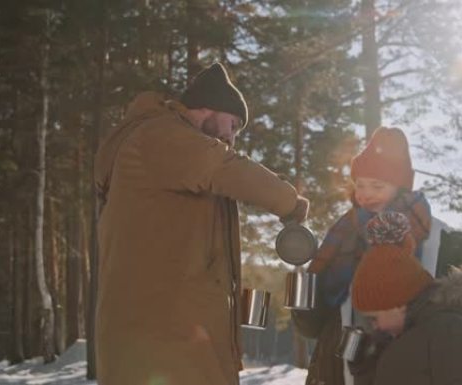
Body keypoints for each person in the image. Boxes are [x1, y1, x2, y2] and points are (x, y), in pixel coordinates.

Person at [94, 63, 309, 385]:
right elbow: (226, 168)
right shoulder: (162, 136)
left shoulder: (170, 149)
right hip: (163, 335)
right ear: (208, 107)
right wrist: (290, 203)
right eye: (233, 125)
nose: (231, 137)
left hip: (169, 329)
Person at [292, 127, 462, 385]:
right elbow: (316, 313)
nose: (365, 194)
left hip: (396, 361)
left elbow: (445, 320)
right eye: (360, 184)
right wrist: (304, 303)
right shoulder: (344, 229)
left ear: (400, 188)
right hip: (335, 359)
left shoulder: (434, 237)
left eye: (377, 186)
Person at [349, 212, 462, 385]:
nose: (374, 326)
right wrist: (364, 368)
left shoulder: (449, 331)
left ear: (398, 304)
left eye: (374, 318)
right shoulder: (408, 336)